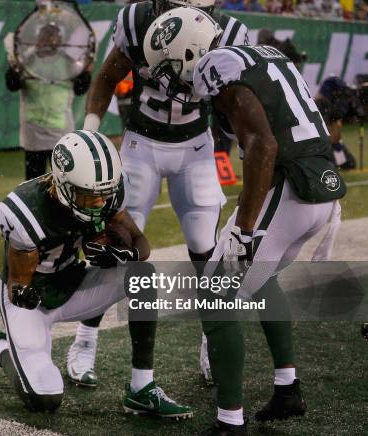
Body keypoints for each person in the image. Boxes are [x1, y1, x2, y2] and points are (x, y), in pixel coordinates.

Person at [143, 7, 346, 434]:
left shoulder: (219, 69)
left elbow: (263, 147)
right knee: (262, 278)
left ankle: (229, 421)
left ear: (191, 52)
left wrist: (243, 230)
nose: (169, 79)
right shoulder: (262, 53)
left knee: (215, 297)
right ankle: (287, 387)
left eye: (170, 67)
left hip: (289, 189)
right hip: (317, 188)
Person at [67, 0, 249, 388]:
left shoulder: (228, 34)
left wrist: (242, 136)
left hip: (196, 147)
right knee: (114, 245)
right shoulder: (138, 21)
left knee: (206, 252)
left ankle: (211, 342)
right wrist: (91, 131)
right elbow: (105, 79)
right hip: (141, 145)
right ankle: (86, 339)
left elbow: (236, 105)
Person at [0, 130, 193, 418]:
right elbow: (17, 286)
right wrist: (25, 295)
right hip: (32, 300)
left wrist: (121, 252)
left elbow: (142, 245)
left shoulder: (105, 195)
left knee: (142, 274)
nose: (101, 202)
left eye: (105, 194)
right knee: (45, 399)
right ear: (63, 186)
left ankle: (142, 388)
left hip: (72, 283)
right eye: (91, 195)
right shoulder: (27, 212)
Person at [5, 10, 92, 181]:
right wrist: (15, 66)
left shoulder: (68, 62)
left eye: (54, 37)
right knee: (34, 183)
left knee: (63, 182)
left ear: (61, 40)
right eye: (46, 36)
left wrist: (87, 72)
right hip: (33, 132)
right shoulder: (27, 59)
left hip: (61, 132)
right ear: (38, 39)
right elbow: (12, 84)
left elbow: (80, 88)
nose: (50, 41)